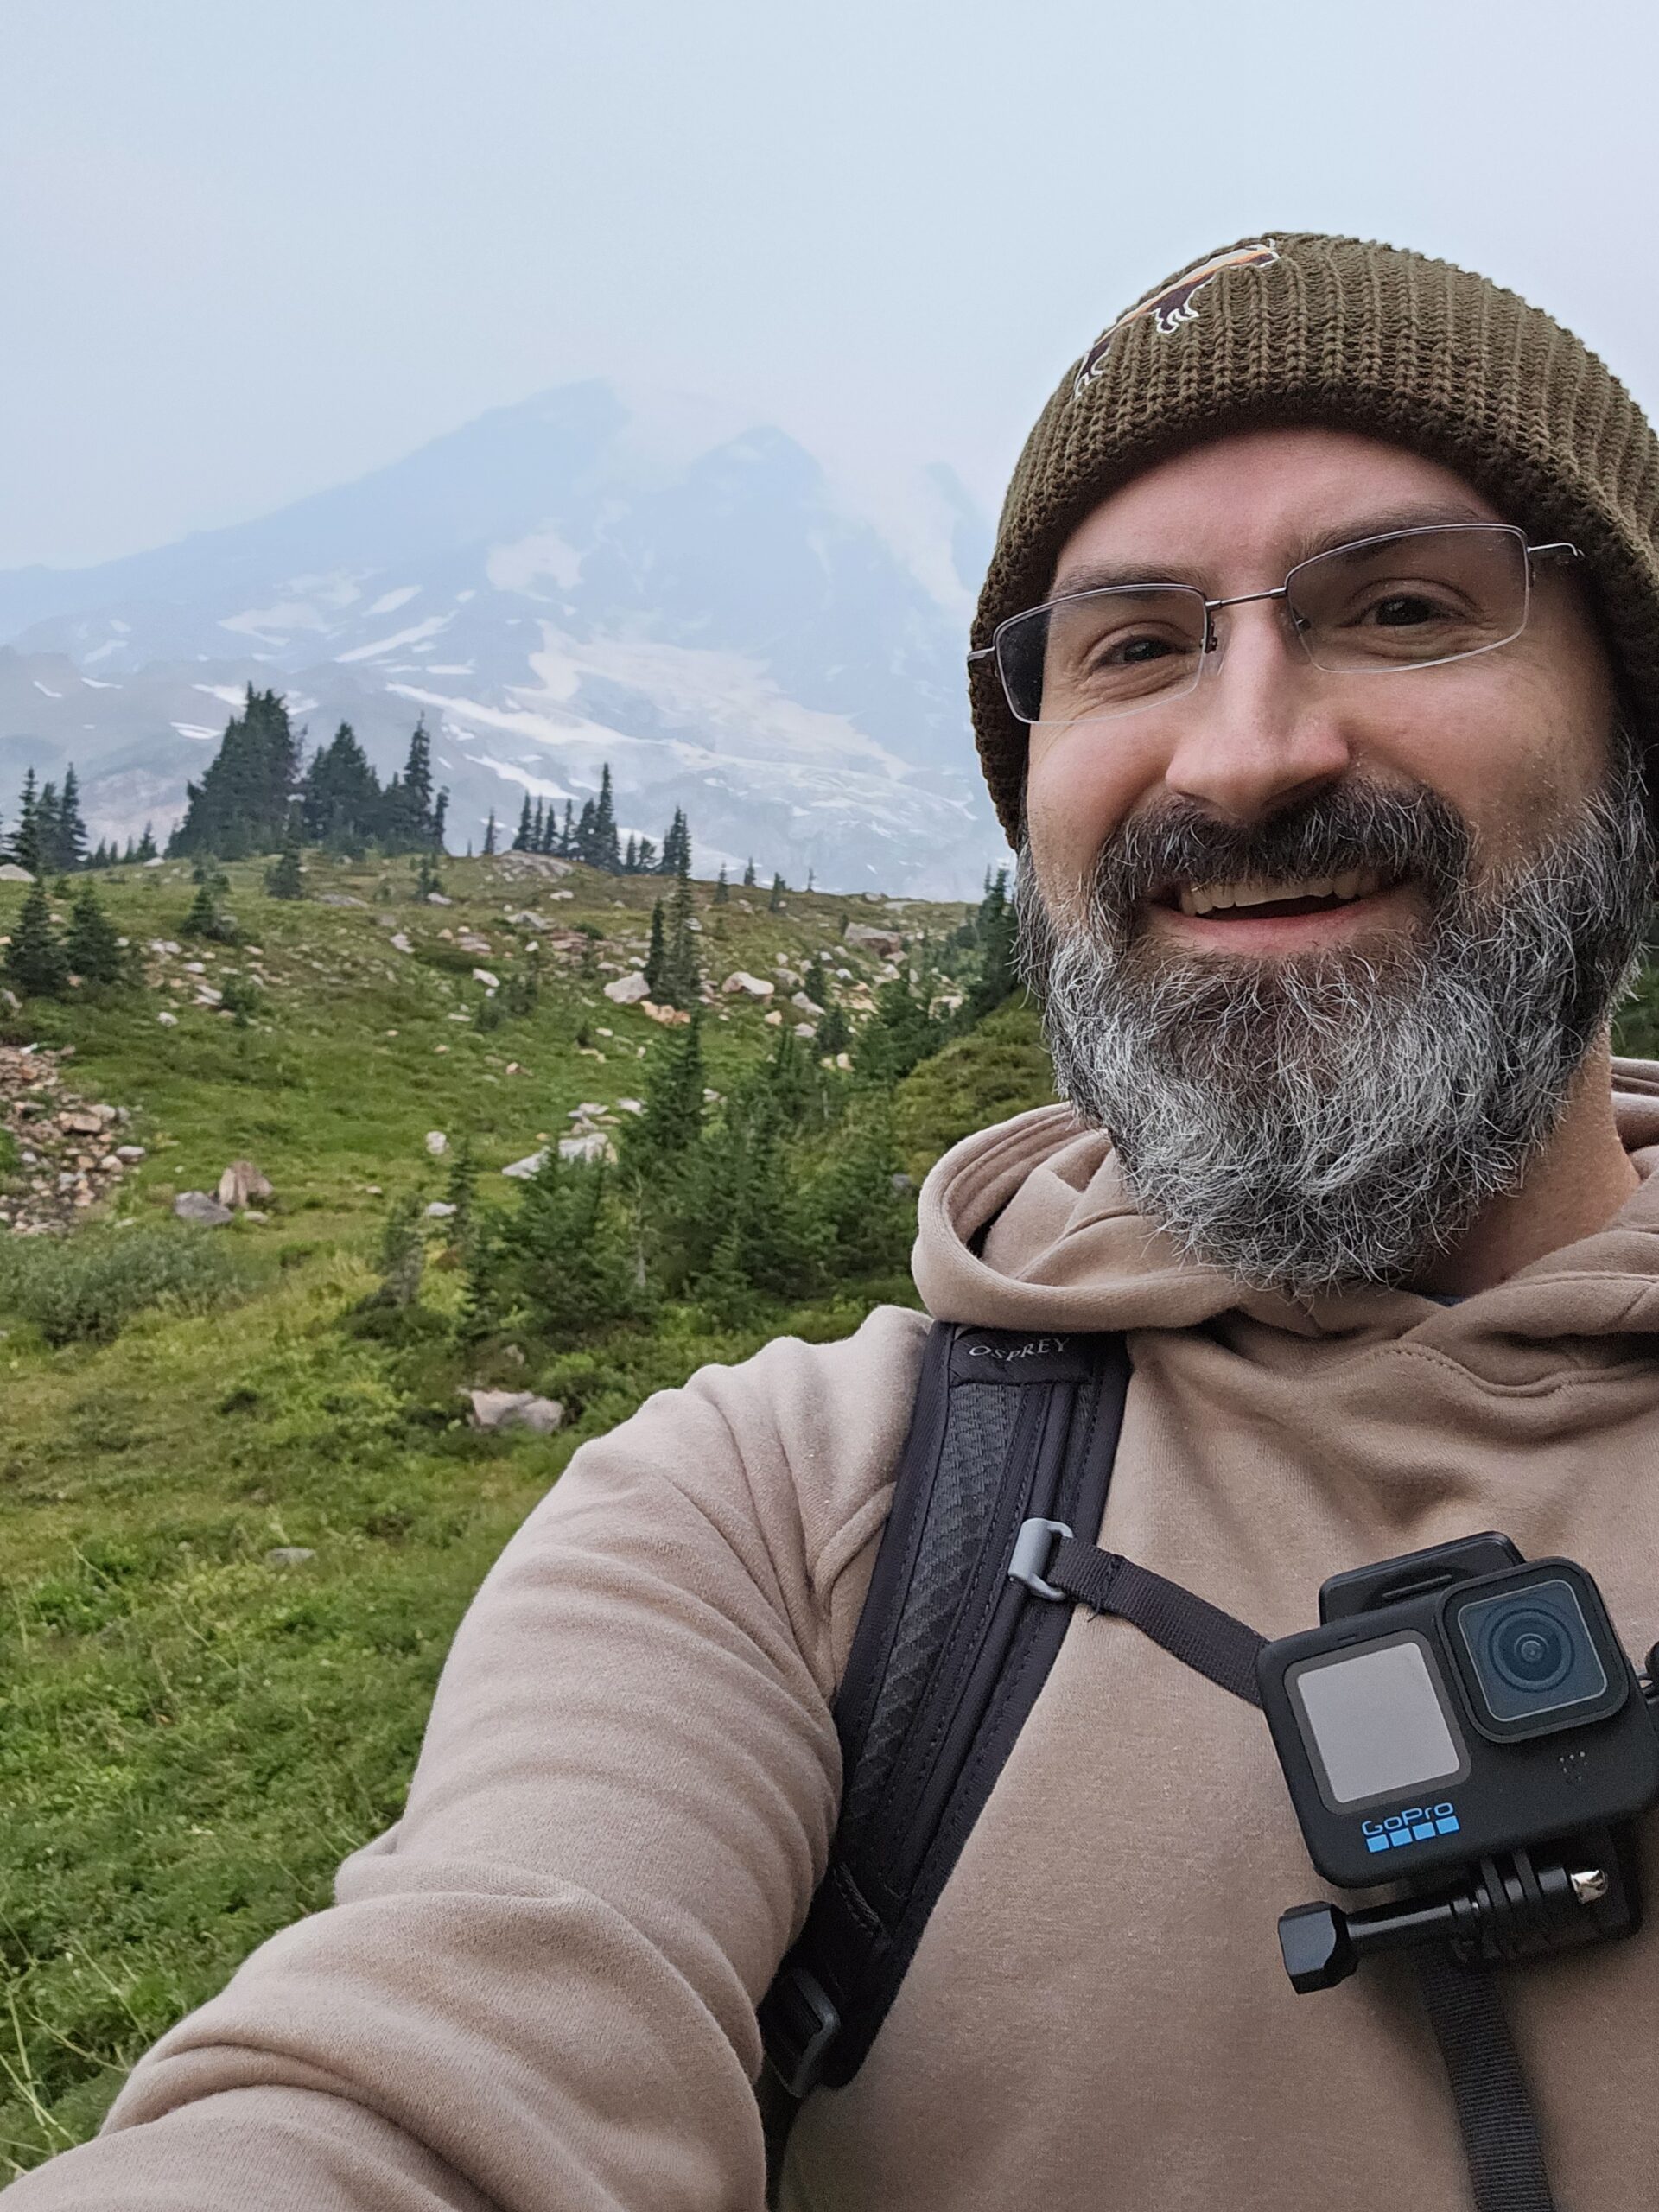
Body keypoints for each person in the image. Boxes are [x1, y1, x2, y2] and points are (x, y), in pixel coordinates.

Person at [10, 231, 1659, 2211]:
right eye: (1131, 645)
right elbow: (422, 2085)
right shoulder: (792, 1513)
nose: (1241, 754)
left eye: (1400, 607)